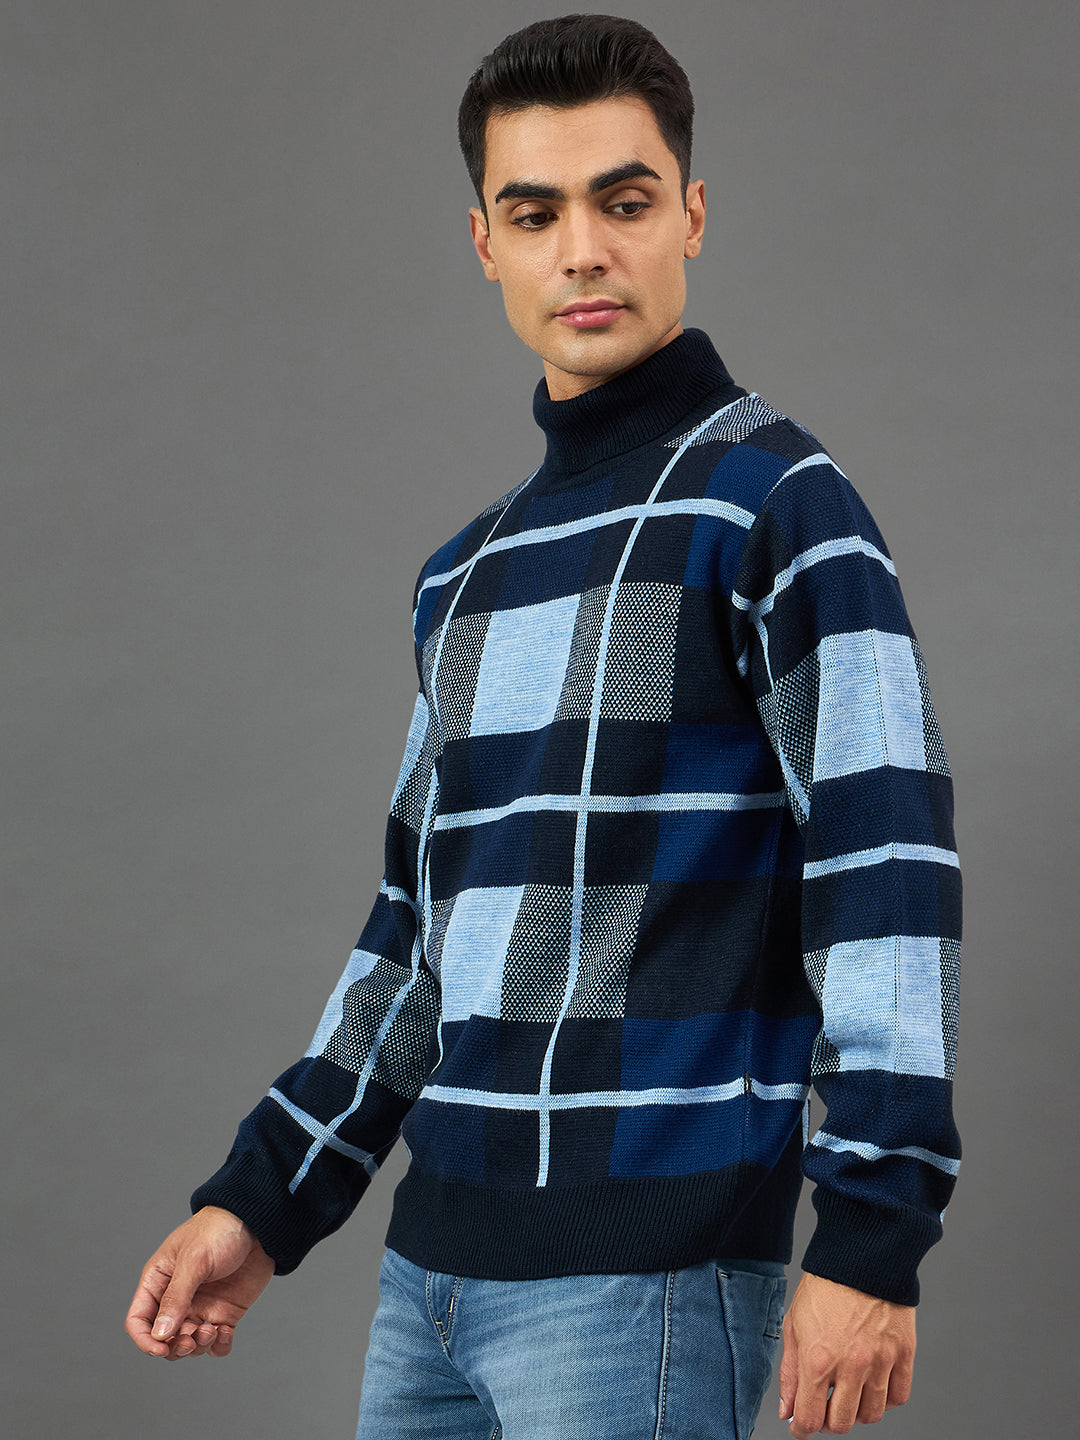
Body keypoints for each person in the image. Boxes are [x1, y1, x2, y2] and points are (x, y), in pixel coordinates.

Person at [126, 15, 961, 1439]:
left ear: (690, 215)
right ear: (486, 244)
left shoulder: (776, 506)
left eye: (623, 202)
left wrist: (873, 1234)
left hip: (649, 1278)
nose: (583, 250)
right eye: (537, 213)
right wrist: (264, 1200)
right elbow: (417, 933)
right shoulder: (465, 574)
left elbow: (885, 870)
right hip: (429, 1285)